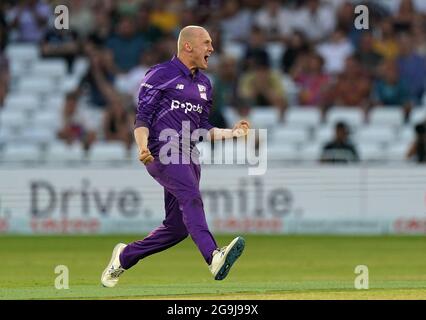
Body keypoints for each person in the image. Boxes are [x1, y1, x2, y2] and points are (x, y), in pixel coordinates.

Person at [101, 26, 249, 288]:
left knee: (177, 228)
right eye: (207, 43)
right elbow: (142, 117)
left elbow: (202, 128)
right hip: (162, 152)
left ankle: (124, 257)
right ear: (188, 46)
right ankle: (213, 256)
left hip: (189, 154)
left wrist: (233, 133)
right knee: (191, 196)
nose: (212, 49)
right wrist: (142, 146)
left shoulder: (205, 84)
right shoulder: (160, 74)